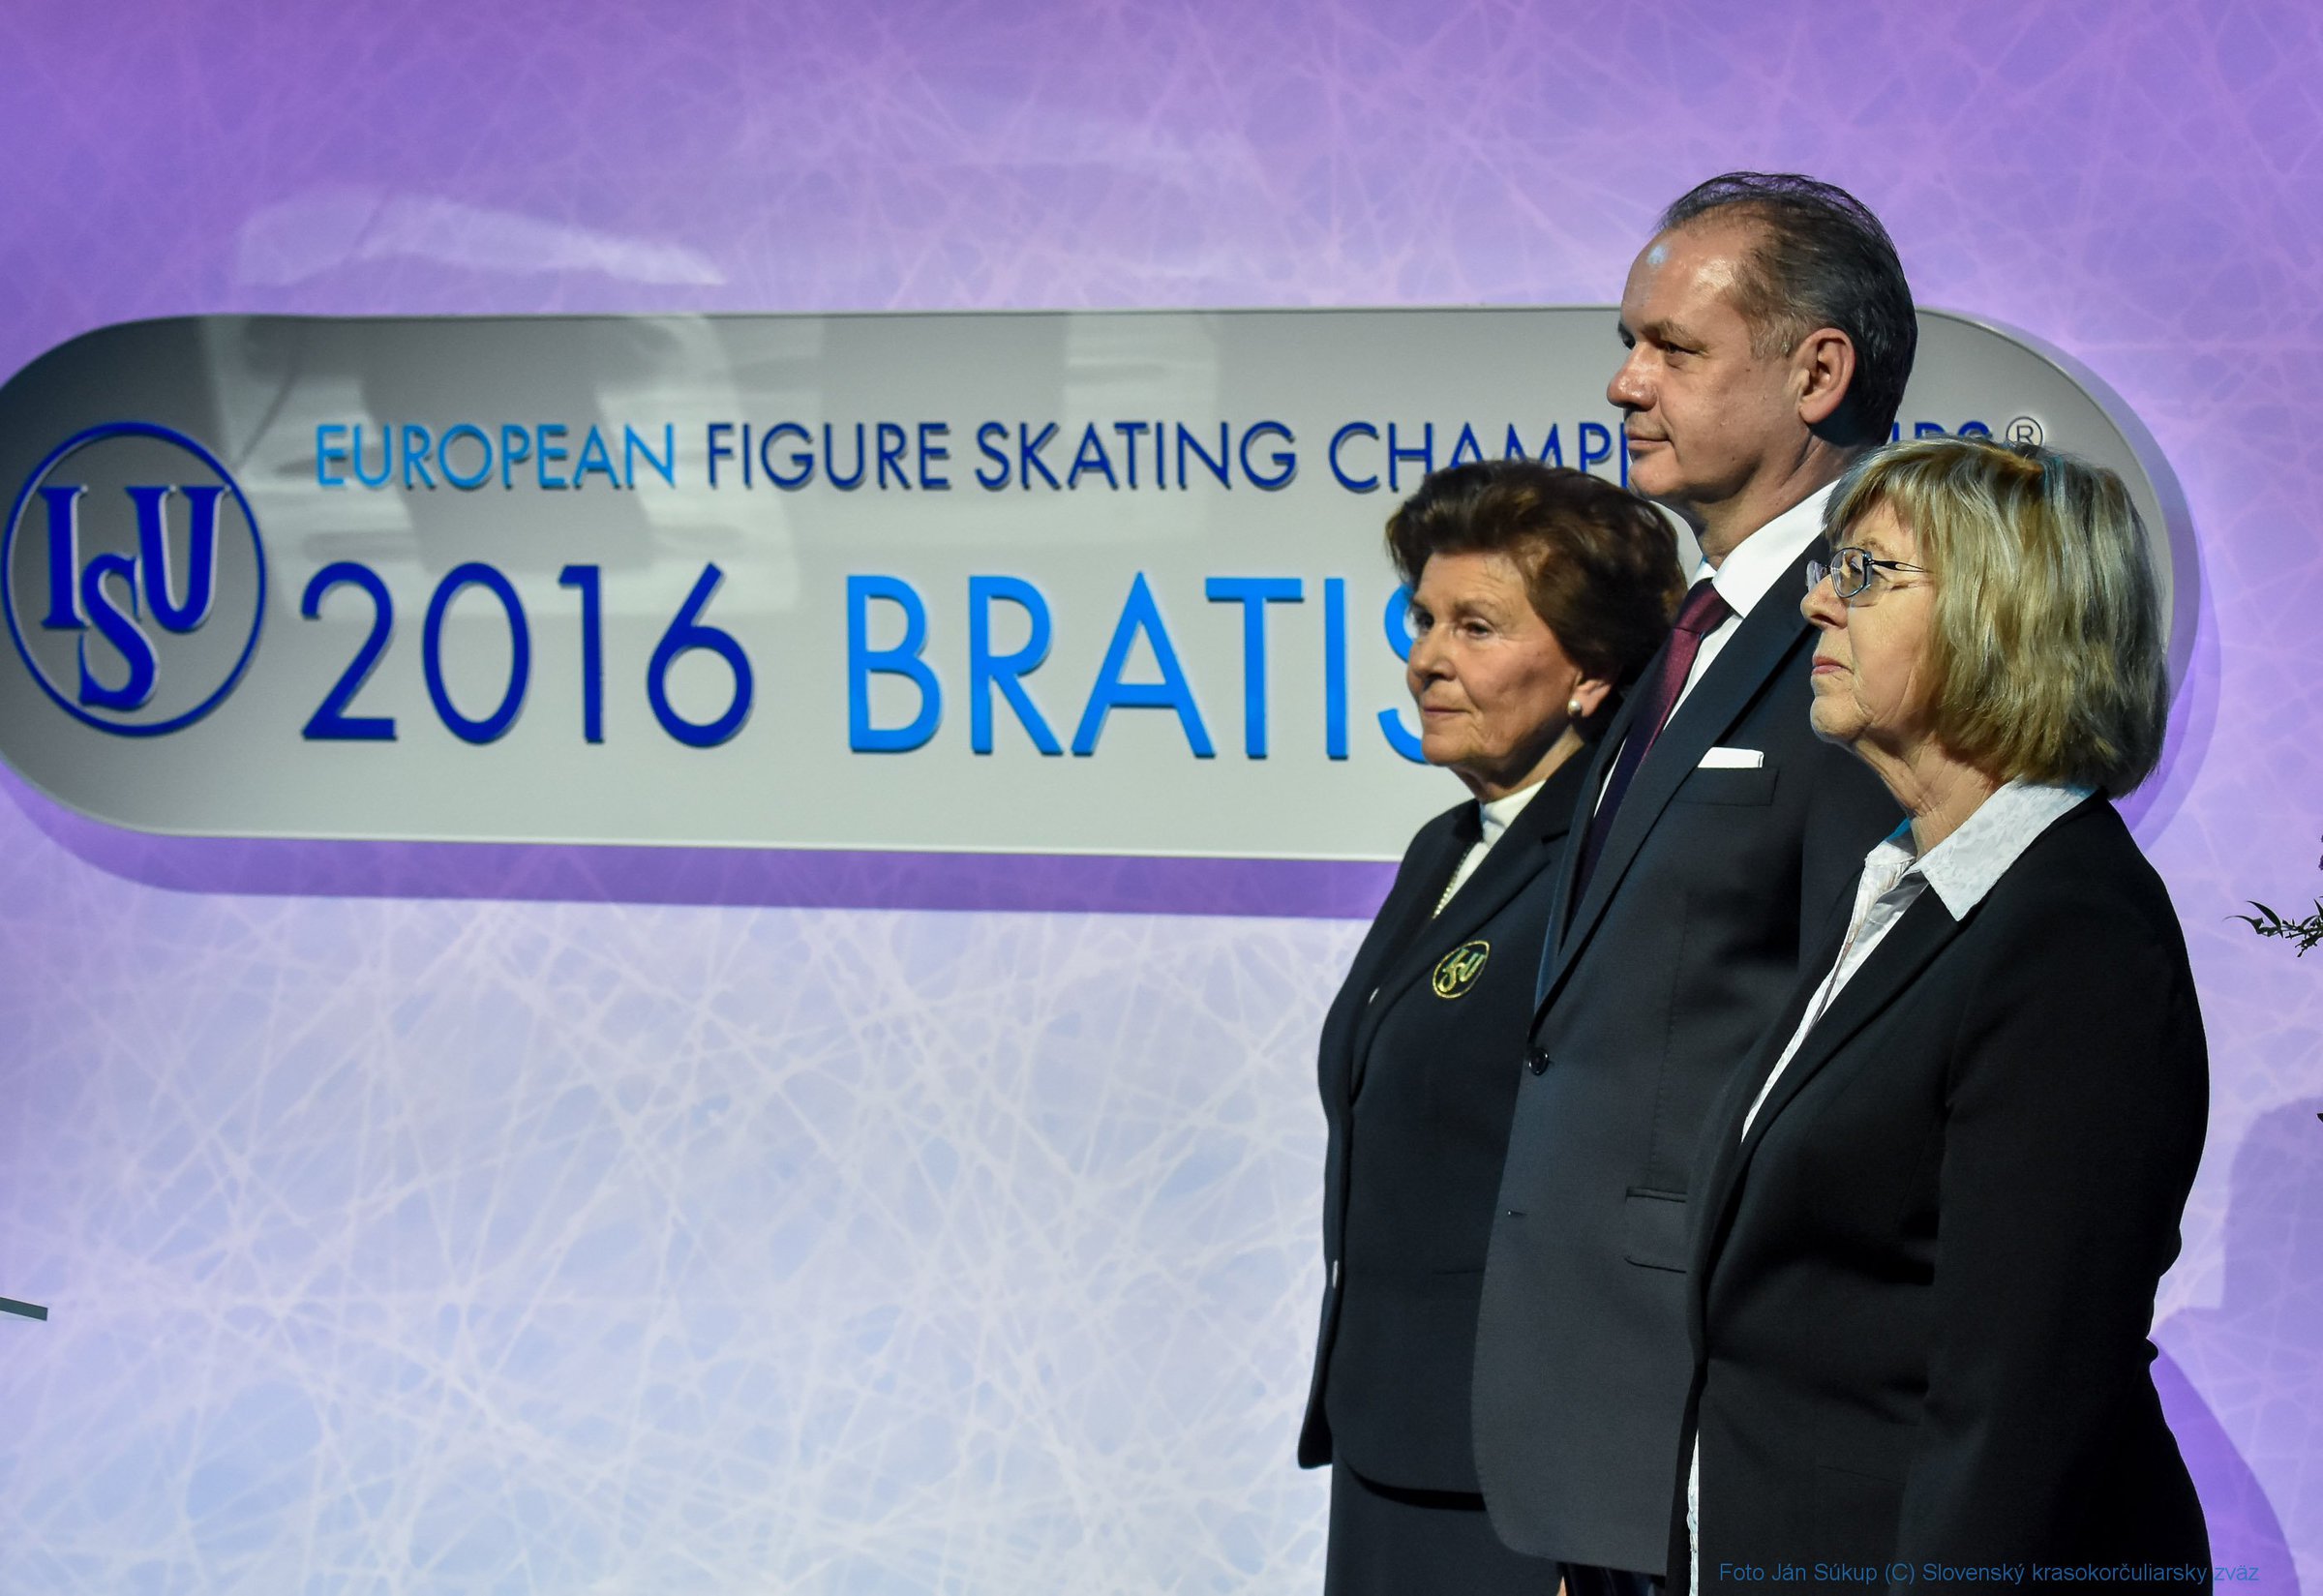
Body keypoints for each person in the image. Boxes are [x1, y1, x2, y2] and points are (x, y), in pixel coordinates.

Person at [1670, 436, 2209, 1592]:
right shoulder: (1905, 890)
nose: (1817, 600)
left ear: (2005, 618)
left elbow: (2020, 1399)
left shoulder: (2071, 936)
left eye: (1865, 572)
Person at [1470, 171, 1910, 1588]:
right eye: (1628, 342)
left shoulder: (1879, 631)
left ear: (1816, 374)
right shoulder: (1688, 629)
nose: (1624, 382)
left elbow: (1866, 1049)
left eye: (1674, 347)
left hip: (1736, 1411)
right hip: (1597, 1414)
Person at [1300, 459, 1683, 1595]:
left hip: (1522, 1487)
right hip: (1388, 1441)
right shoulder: (1445, 845)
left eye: (1476, 626)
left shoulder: (1622, 868)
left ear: (1591, 671)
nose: (1426, 658)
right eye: (1423, 619)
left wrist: (1593, 1515)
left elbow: (1628, 1193)